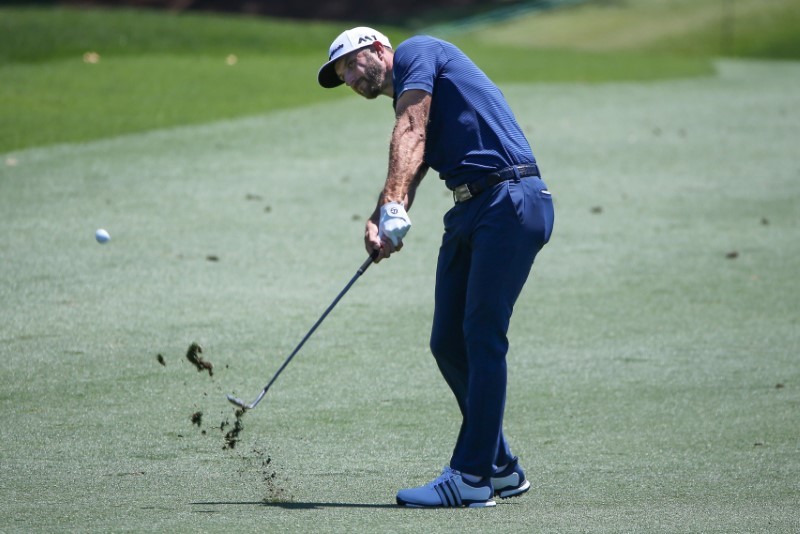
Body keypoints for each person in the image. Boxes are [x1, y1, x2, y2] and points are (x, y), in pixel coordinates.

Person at [318, 27, 554, 508]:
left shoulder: (417, 52)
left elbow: (411, 128)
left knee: (483, 336)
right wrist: (381, 212)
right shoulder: (407, 94)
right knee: (447, 340)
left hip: (509, 199)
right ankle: (501, 467)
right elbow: (416, 154)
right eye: (341, 74)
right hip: (471, 208)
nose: (348, 77)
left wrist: (392, 205)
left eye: (351, 63)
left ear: (380, 49)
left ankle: (470, 478)